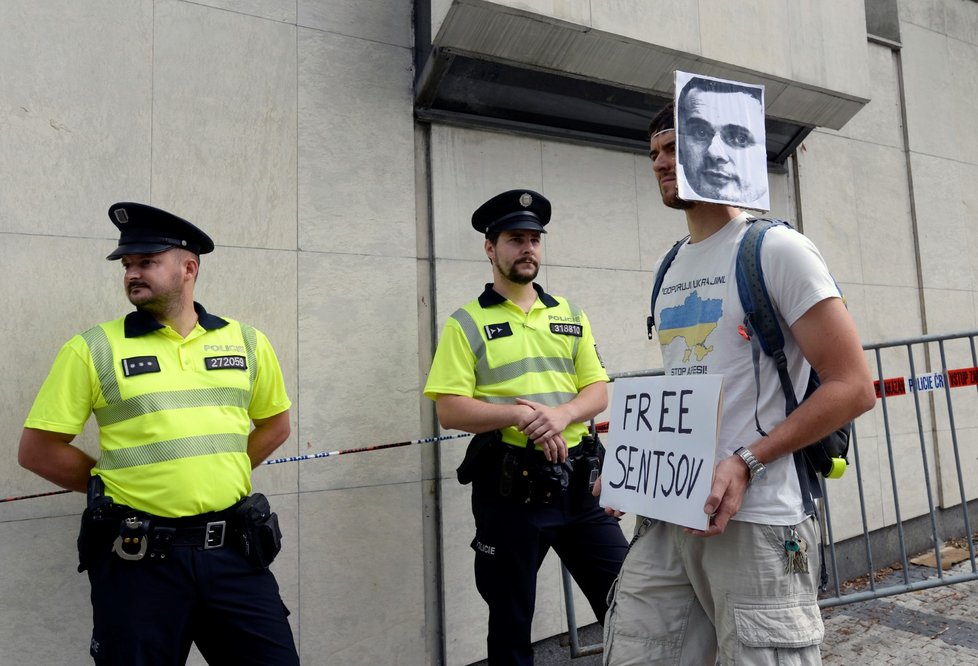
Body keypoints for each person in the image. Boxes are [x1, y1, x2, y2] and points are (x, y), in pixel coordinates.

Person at [599, 105, 876, 665]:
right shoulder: (670, 265)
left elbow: (853, 387)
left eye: (675, 147)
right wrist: (634, 468)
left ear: (722, 149)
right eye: (653, 152)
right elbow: (694, 384)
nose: (660, 163)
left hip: (759, 519)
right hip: (674, 513)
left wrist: (748, 459)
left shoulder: (776, 250)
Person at [18, 202, 299, 665]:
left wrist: (217, 469)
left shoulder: (247, 342)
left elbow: (276, 425)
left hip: (234, 554)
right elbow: (39, 451)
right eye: (128, 264)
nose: (132, 273)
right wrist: (110, 483)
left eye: (146, 261)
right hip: (140, 562)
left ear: (189, 268)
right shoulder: (94, 348)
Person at [424, 189, 629, 665]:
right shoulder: (466, 323)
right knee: (511, 622)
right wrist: (518, 415)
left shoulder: (570, 315)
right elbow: (450, 409)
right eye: (516, 239)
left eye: (535, 239)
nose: (528, 248)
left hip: (579, 490)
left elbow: (597, 392)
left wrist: (559, 416)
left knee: (627, 602)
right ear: (490, 248)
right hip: (511, 495)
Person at [676, 75, 768, 208]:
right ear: (681, 149)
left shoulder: (773, 230)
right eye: (700, 132)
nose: (714, 153)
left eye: (739, 138)